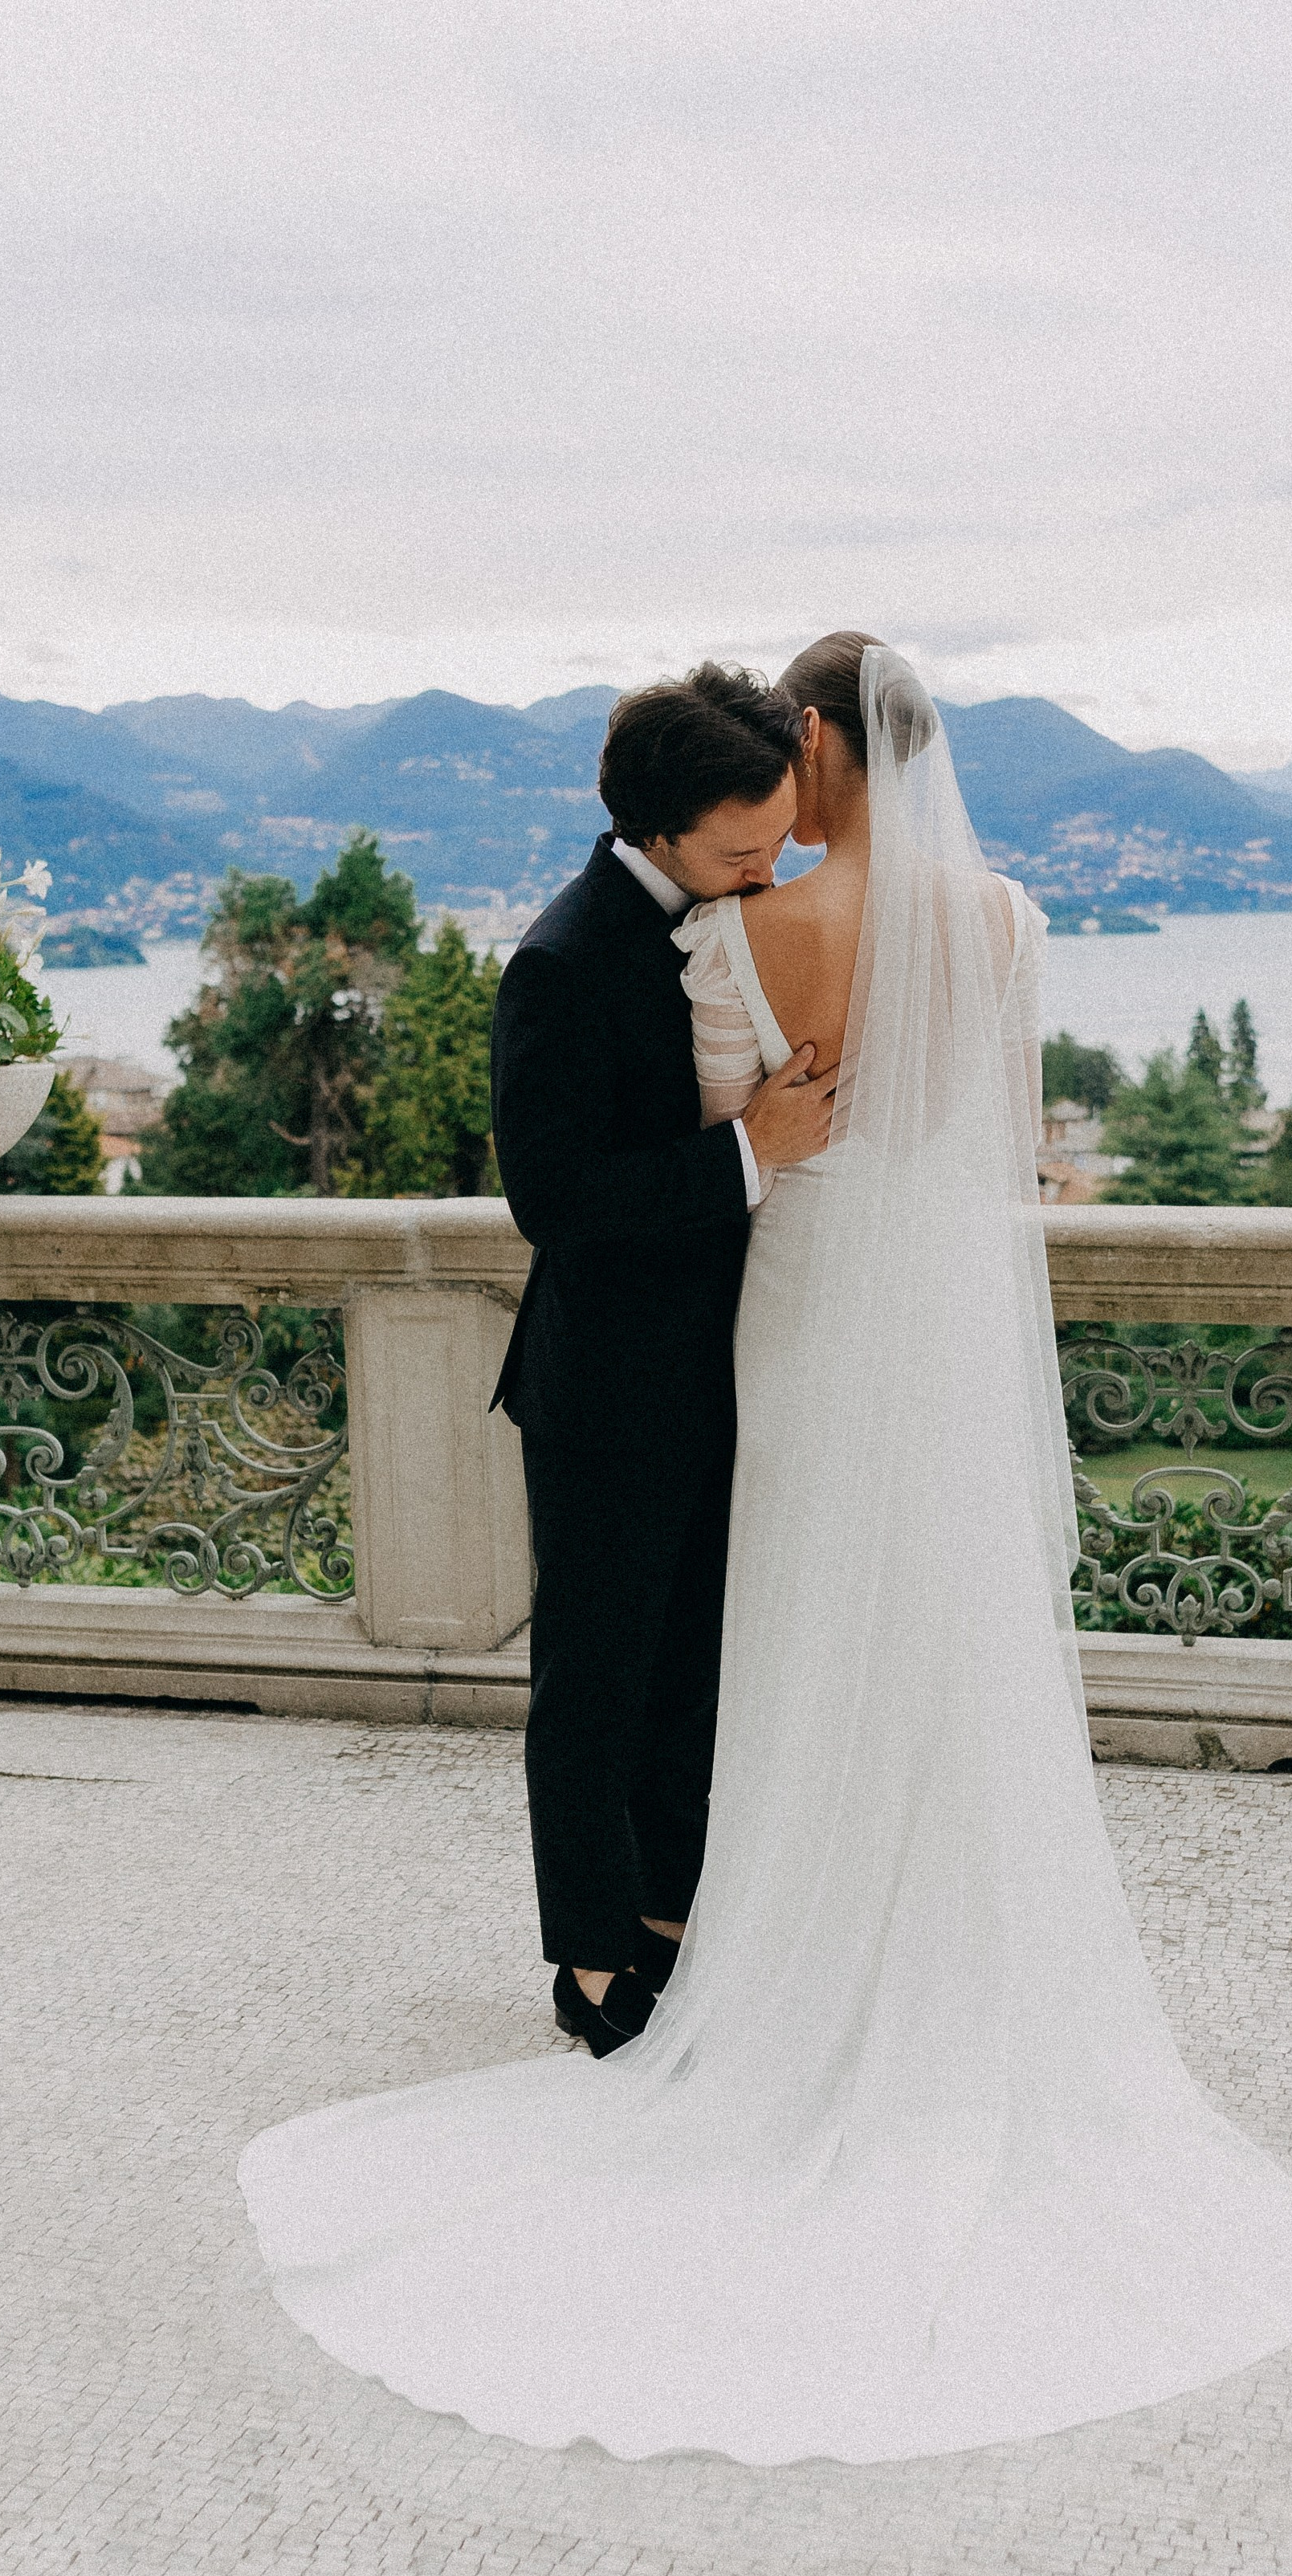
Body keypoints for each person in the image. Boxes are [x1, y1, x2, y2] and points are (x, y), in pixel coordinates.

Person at [239, 638, 1292, 2466]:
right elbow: (754, 1157)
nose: (765, 825)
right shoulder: (988, 918)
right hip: (876, 1325)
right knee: (811, 1639)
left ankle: (718, 1934)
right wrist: (776, 1147)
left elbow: (741, 1125)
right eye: (737, 815)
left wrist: (766, 1141)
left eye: (783, 774)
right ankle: (634, 1952)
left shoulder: (733, 937)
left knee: (751, 1642)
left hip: (790, 1318)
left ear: (816, 750)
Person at [485, 665, 834, 2052]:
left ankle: (674, 1921)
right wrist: (751, 1152)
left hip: (723, 1373)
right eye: (744, 850)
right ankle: (587, 1967)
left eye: (782, 843)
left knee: (693, 1667)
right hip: (605, 1390)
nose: (768, 872)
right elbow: (555, 1203)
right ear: (657, 828)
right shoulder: (562, 962)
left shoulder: (733, 919)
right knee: (596, 1681)